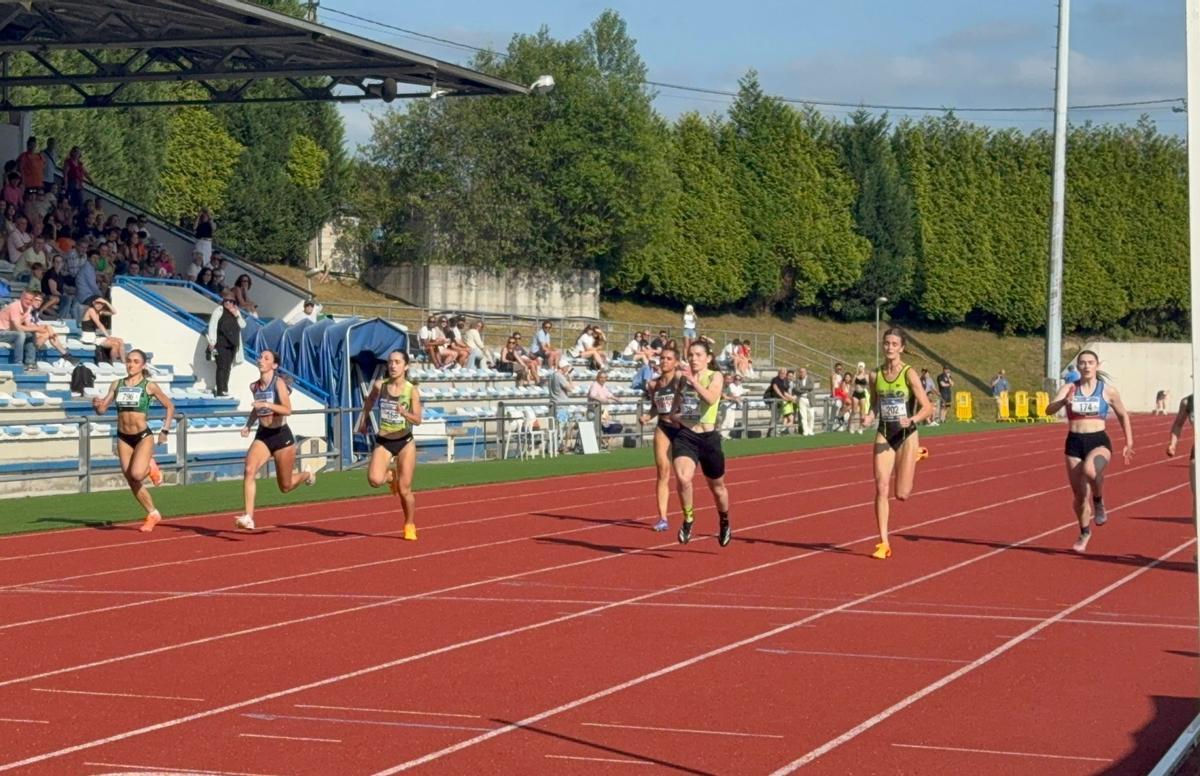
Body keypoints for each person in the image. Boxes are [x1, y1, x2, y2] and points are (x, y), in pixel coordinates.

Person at [1044, 350, 1134, 553]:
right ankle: (1084, 532)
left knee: (1091, 471)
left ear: (1097, 365)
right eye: (1083, 363)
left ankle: (1099, 500)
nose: (1086, 366)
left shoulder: (1108, 391)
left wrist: (1129, 442)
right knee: (1079, 497)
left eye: (1090, 362)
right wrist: (1063, 402)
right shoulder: (1069, 388)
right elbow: (1048, 410)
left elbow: (1123, 415)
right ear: (1078, 367)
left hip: (1098, 441)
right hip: (1074, 443)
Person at [865, 328, 933, 559]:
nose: (890, 348)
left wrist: (912, 419)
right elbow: (874, 404)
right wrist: (869, 416)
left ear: (902, 348)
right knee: (881, 487)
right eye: (887, 343)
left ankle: (915, 454)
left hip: (907, 433)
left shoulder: (909, 374)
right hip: (884, 432)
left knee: (902, 494)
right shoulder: (875, 375)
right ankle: (884, 543)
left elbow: (928, 407)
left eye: (895, 344)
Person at [91, 350, 173, 532]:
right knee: (131, 479)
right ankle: (152, 513)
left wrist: (165, 430)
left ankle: (151, 467)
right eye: (128, 361)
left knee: (136, 474)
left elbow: (169, 406)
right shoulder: (117, 384)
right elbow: (102, 410)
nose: (131, 365)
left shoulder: (149, 386)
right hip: (123, 437)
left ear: (143, 365)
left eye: (136, 362)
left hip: (142, 436)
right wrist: (96, 405)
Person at [234, 350, 315, 530]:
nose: (261, 360)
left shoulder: (278, 383)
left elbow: (287, 409)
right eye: (260, 357)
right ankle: (248, 516)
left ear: (274, 365)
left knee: (285, 486)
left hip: (281, 436)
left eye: (266, 358)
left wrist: (267, 404)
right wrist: (248, 425)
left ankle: (307, 474)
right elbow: (257, 409)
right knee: (249, 469)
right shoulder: (254, 387)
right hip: (263, 435)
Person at [670, 341, 731, 547]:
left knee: (718, 488)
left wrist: (693, 381)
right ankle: (688, 518)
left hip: (709, 438)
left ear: (708, 358)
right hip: (687, 436)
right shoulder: (683, 379)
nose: (693, 358)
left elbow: (711, 399)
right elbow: (676, 409)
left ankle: (724, 520)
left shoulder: (715, 376)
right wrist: (676, 415)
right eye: (690, 355)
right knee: (683, 477)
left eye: (698, 355)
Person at [357, 350, 421, 541]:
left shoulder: (411, 390)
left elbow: (418, 420)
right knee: (375, 480)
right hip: (384, 441)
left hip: (404, 442)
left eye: (397, 362)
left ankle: (409, 524)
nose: (393, 365)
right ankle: (390, 476)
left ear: (405, 366)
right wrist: (364, 419)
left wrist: (405, 413)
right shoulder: (380, 385)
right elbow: (370, 400)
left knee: (404, 490)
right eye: (390, 362)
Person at [639, 346, 683, 532]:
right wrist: (647, 416)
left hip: (682, 429)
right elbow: (655, 407)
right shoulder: (653, 384)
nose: (664, 361)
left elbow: (692, 402)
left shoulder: (680, 379)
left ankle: (688, 513)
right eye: (662, 358)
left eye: (669, 358)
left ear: (676, 362)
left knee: (682, 475)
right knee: (663, 471)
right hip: (663, 427)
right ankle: (663, 518)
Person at [206, 292, 244, 397]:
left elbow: (243, 325)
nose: (228, 303)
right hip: (220, 344)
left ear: (234, 303)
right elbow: (212, 326)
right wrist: (212, 341)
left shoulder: (236, 312)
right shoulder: (219, 310)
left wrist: (236, 315)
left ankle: (225, 389)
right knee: (221, 366)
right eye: (226, 301)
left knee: (227, 367)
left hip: (232, 345)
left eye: (231, 301)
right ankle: (220, 390)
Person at [81, 295, 126, 362]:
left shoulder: (99, 312)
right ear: (93, 303)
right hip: (88, 338)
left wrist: (106, 302)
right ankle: (114, 362)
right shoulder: (91, 310)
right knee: (115, 344)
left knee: (120, 341)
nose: (99, 305)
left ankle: (123, 362)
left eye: (102, 304)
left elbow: (114, 312)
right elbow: (99, 324)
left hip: (94, 337)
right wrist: (108, 336)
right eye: (98, 303)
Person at [1167, 394, 1194, 496]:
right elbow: (1178, 424)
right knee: (1197, 496)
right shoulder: (1188, 402)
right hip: (1197, 450)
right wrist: (1173, 444)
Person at [851, 362, 870, 434]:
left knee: (862, 411)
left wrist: (865, 377)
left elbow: (868, 383)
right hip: (856, 393)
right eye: (859, 367)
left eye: (861, 367)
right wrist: (855, 376)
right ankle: (852, 426)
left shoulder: (866, 375)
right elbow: (852, 383)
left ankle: (860, 427)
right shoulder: (856, 375)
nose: (860, 368)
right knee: (854, 411)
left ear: (863, 368)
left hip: (862, 393)